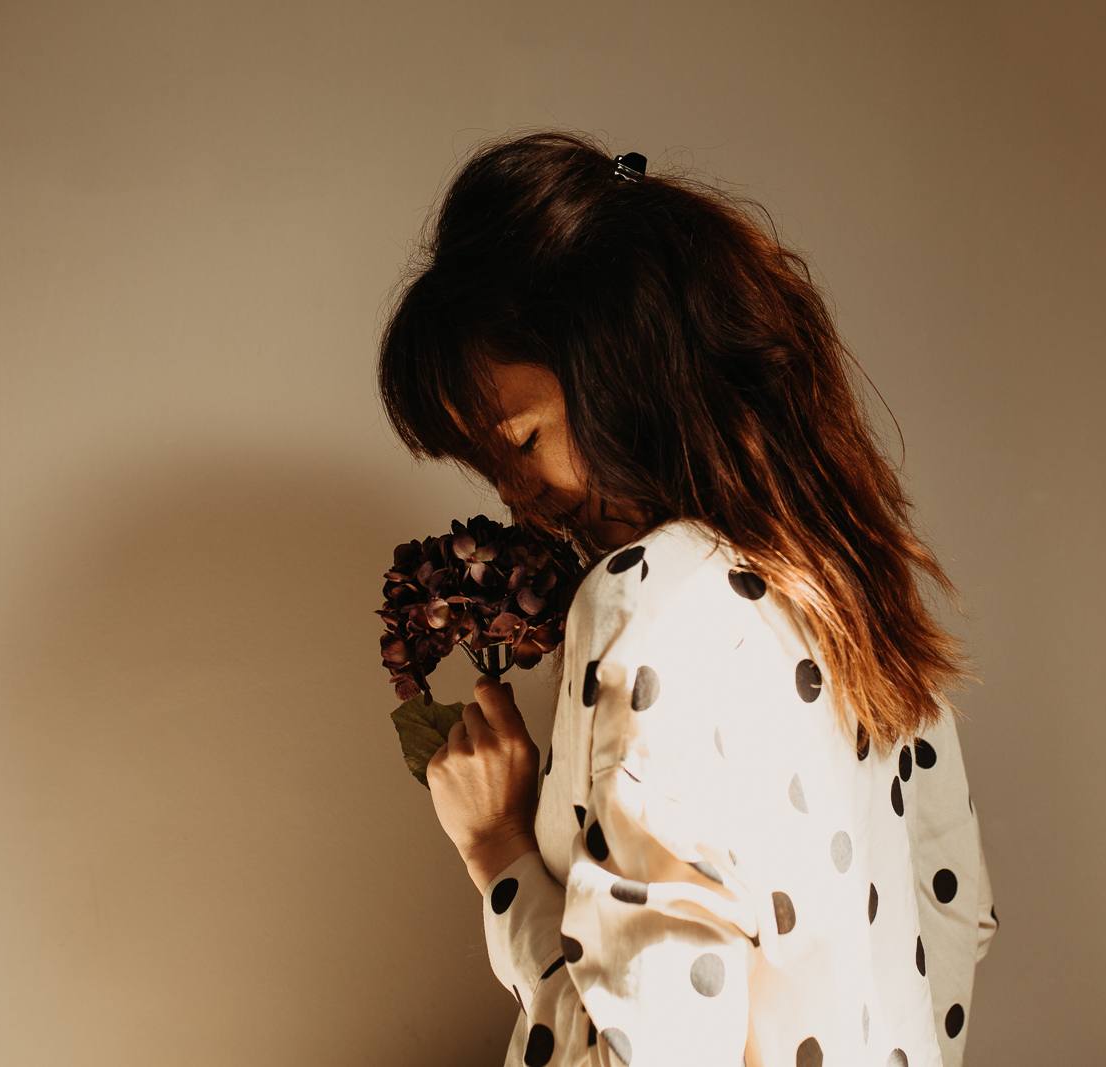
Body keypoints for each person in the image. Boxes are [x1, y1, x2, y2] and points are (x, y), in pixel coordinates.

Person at [378, 131, 996, 1067]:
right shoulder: (846, 581)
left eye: (521, 440)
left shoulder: (646, 598)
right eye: (489, 466)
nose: (515, 495)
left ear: (618, 359)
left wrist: (498, 852)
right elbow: (958, 915)